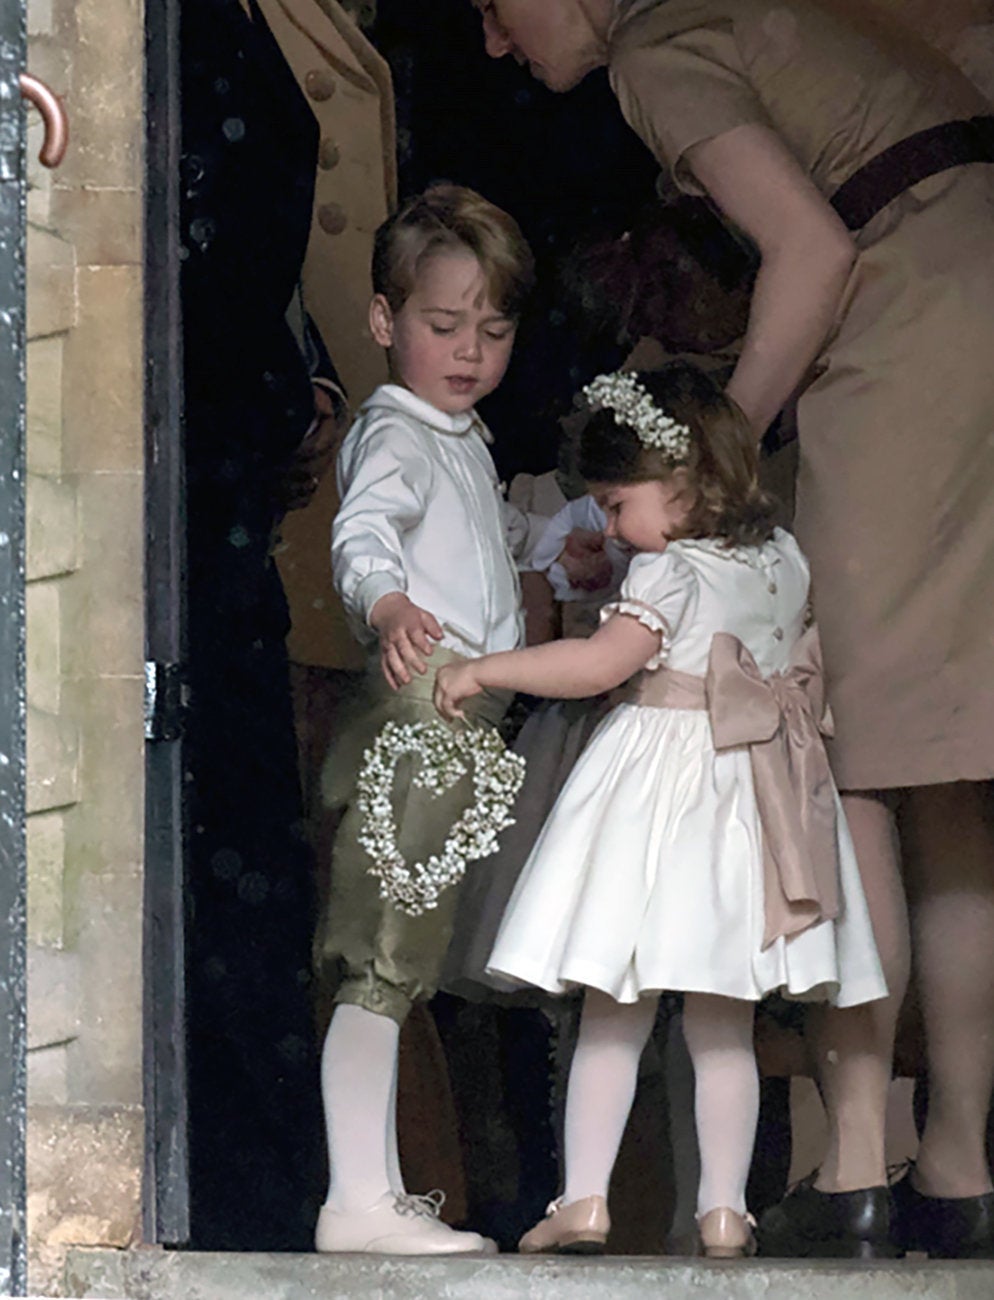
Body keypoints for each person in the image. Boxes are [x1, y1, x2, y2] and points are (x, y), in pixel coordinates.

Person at [468, 0, 994, 1259]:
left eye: (494, 5)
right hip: (968, 297)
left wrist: (708, 463)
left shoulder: (657, 44)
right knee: (941, 763)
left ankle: (859, 1158)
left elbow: (809, 251)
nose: (493, 42)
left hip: (913, 325)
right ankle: (961, 1162)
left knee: (841, 743)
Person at [434, 362, 887, 1257]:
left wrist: (486, 668)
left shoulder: (670, 571)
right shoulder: (781, 557)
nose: (610, 523)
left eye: (615, 502)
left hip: (665, 793)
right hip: (754, 800)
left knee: (616, 1001)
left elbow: (599, 668)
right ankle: (725, 1209)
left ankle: (585, 1198)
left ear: (682, 483)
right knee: (724, 1017)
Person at [312, 182, 536, 1255]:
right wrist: (388, 599)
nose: (469, 350)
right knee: (385, 949)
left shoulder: (460, 436)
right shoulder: (396, 432)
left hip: (464, 709)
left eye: (492, 330)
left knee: (414, 947)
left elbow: (487, 546)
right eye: (444, 326)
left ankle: (378, 1185)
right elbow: (365, 532)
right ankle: (355, 1192)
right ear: (384, 320)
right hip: (424, 703)